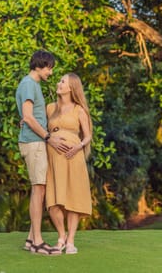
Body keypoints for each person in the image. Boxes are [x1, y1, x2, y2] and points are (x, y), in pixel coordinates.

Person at [15, 50, 68, 255]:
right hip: (34, 143)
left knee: (40, 190)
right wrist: (48, 137)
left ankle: (31, 239)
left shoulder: (32, 85)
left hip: (35, 142)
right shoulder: (28, 84)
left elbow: (29, 115)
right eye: (49, 68)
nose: (51, 72)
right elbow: (28, 117)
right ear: (39, 65)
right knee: (39, 190)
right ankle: (37, 240)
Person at [45, 73, 93, 255]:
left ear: (71, 88)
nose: (59, 83)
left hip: (73, 158)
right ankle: (61, 237)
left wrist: (78, 147)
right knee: (53, 200)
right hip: (53, 159)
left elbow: (87, 135)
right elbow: (40, 127)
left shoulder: (79, 110)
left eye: (62, 81)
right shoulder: (50, 108)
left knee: (73, 198)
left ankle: (71, 241)